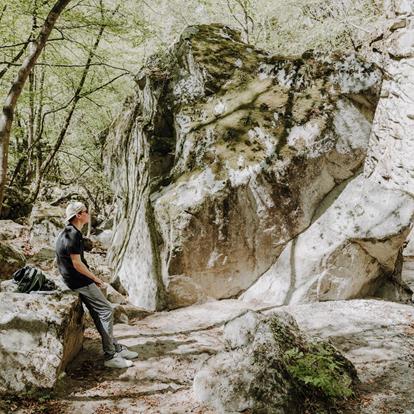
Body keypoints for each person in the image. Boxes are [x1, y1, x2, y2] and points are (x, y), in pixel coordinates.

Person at [55, 201, 137, 369]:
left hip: (74, 280)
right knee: (107, 310)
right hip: (79, 282)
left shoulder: (68, 232)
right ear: (78, 215)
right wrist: (96, 279)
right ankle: (111, 355)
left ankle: (114, 348)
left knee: (98, 312)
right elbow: (77, 264)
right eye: (86, 211)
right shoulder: (73, 235)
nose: (89, 213)